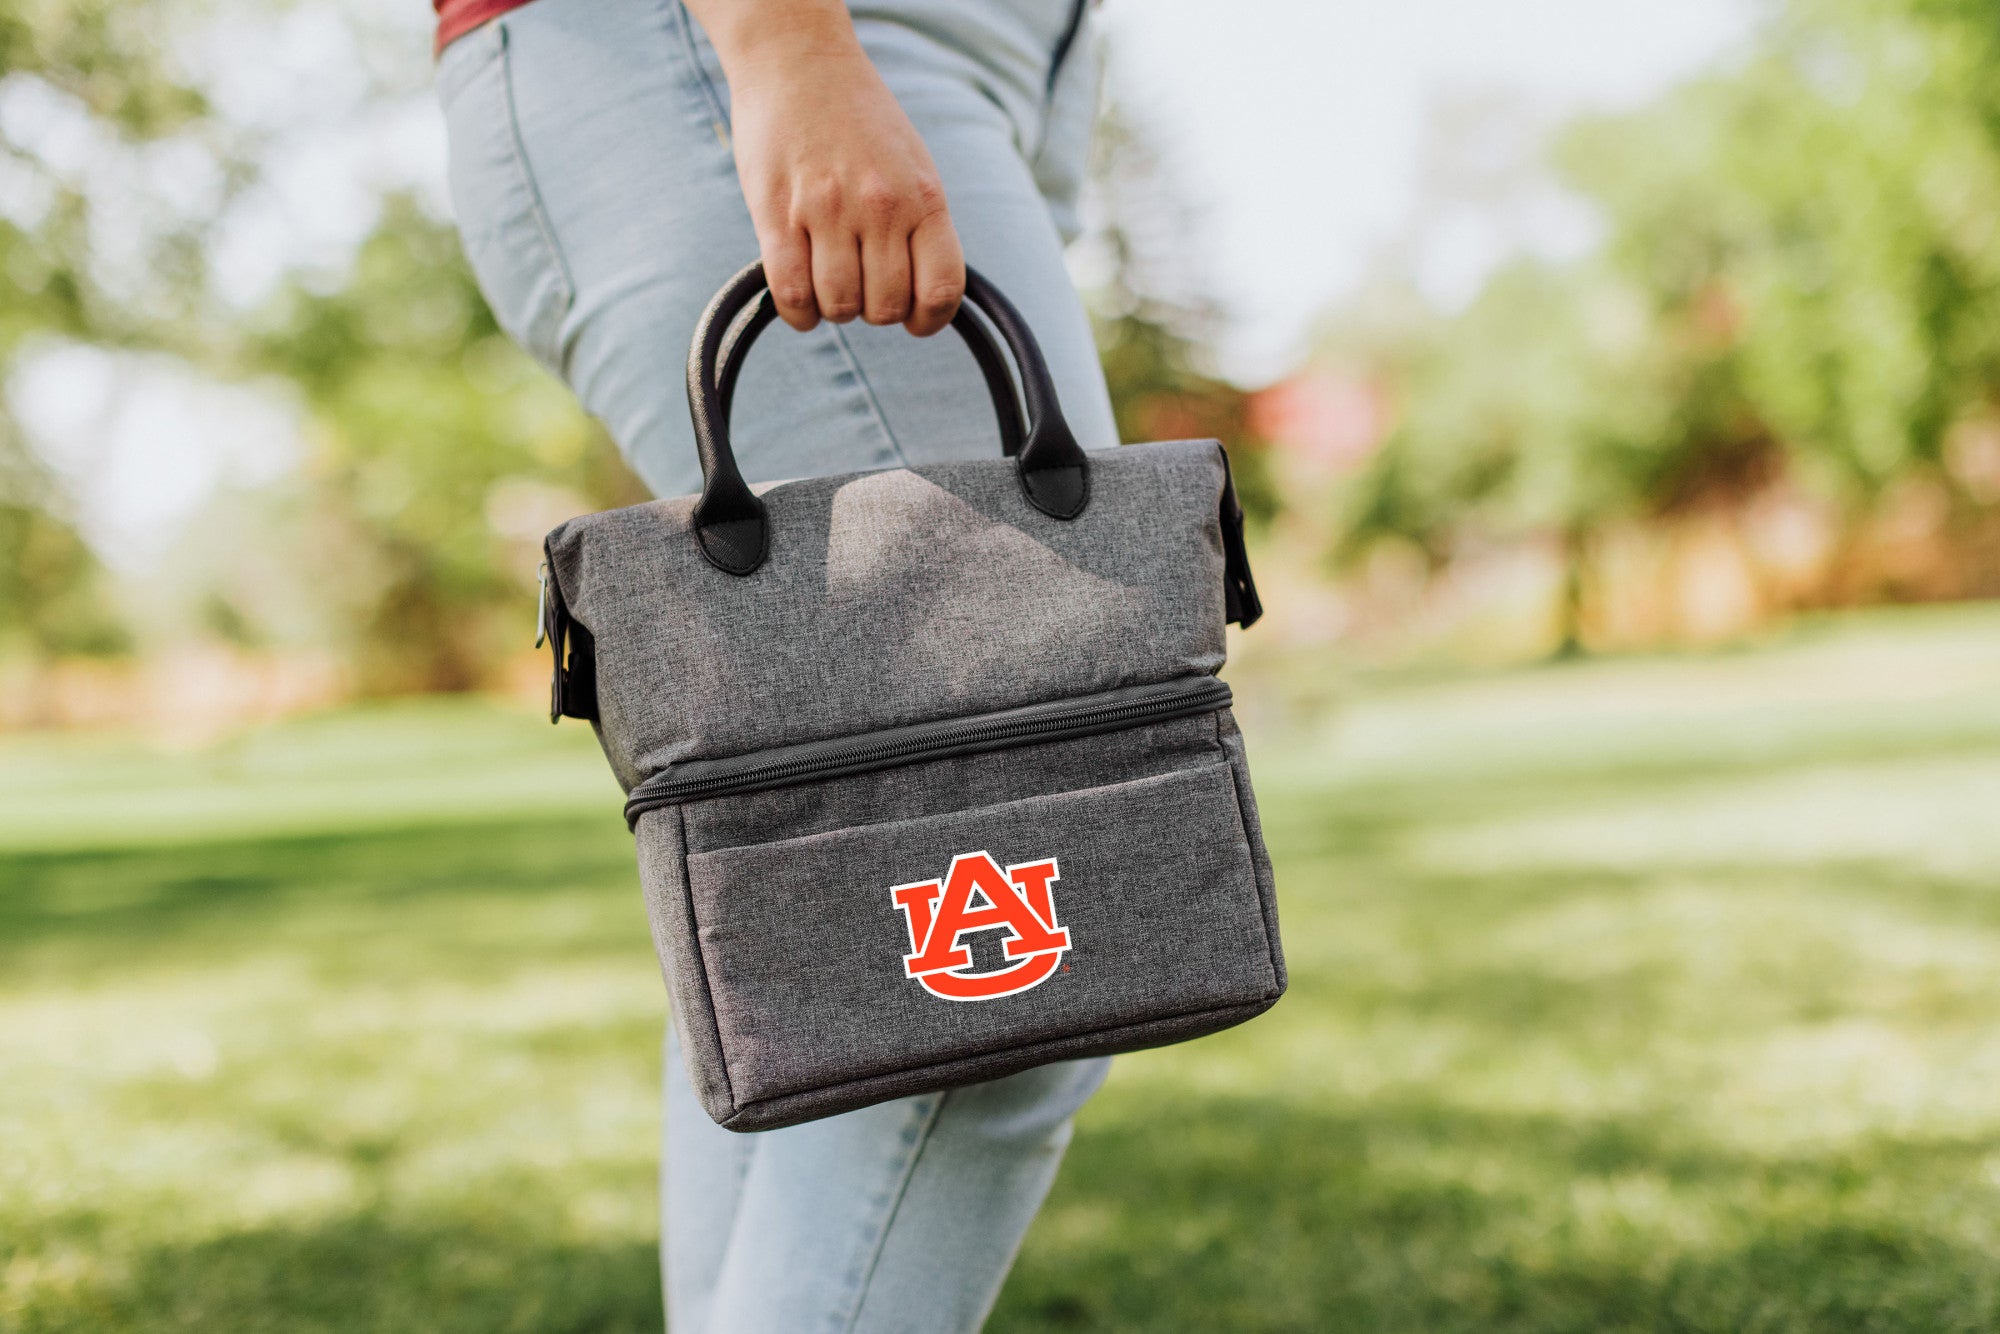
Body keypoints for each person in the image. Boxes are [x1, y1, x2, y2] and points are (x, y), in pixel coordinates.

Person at [434, 1, 1117, 1328]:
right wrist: (787, 49)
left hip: (971, 58)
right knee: (1012, 937)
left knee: (816, 925)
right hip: (751, 35)